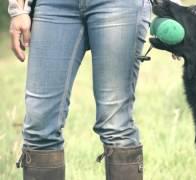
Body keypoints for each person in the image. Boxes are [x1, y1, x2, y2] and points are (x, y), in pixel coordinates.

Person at [8, 0, 152, 179]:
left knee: (116, 127)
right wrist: (18, 9)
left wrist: (170, 9)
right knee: (39, 127)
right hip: (54, 5)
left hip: (120, 5)